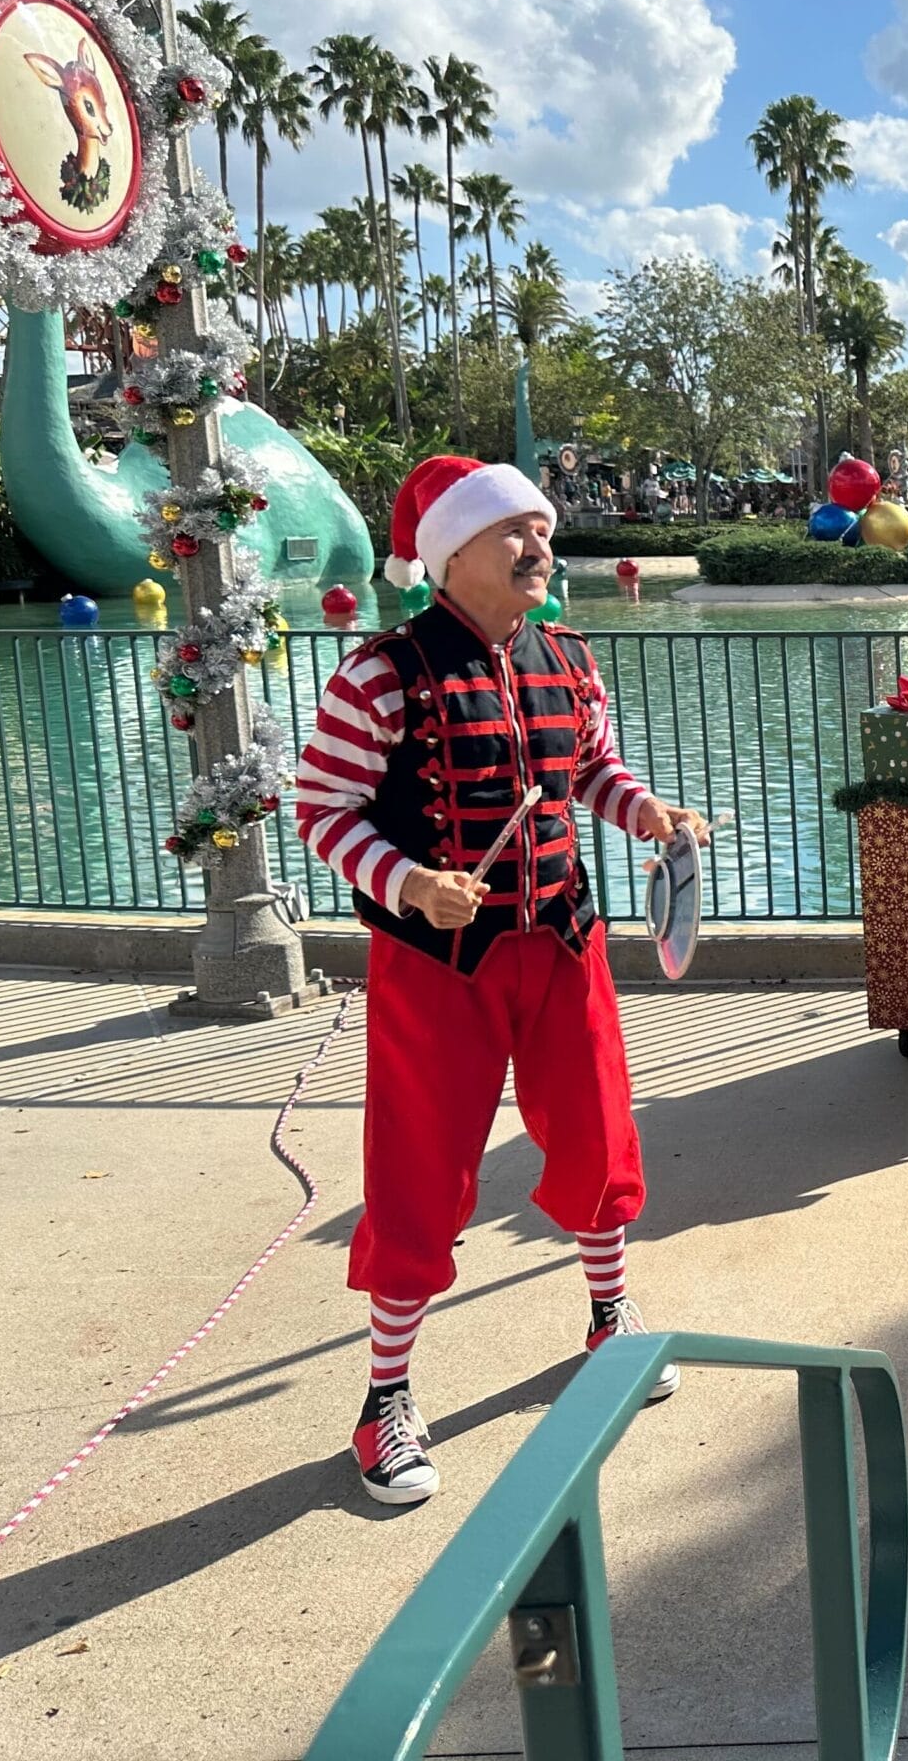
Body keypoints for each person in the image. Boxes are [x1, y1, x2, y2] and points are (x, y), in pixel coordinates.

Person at [296, 456, 713, 1506]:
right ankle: (384, 1396)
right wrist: (409, 882)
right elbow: (323, 813)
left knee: (595, 1136)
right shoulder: (380, 673)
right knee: (419, 1171)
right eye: (513, 532)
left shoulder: (567, 658)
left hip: (563, 942)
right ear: (451, 552)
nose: (539, 547)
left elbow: (588, 772)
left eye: (542, 529)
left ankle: (610, 1318)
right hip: (437, 966)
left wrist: (649, 811)